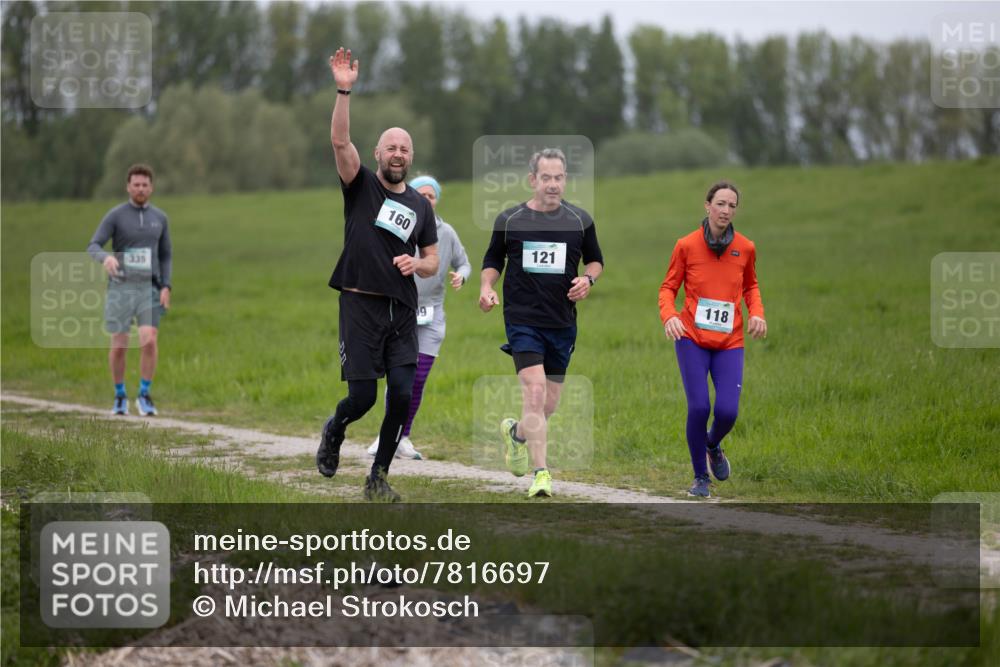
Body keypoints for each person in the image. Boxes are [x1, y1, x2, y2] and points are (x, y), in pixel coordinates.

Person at [316, 47, 440, 502]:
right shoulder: (361, 184)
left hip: (402, 310)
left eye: (405, 148)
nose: (398, 153)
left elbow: (431, 258)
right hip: (360, 304)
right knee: (364, 398)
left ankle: (378, 478)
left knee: (403, 396)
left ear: (411, 157)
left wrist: (418, 264)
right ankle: (335, 429)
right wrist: (344, 89)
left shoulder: (420, 206)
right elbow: (338, 143)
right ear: (377, 153)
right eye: (391, 146)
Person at [479, 148, 604, 498]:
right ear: (533, 180)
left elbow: (595, 261)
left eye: (559, 177)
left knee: (548, 405)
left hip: (562, 322)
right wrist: (487, 287)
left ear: (565, 179)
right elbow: (492, 259)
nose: (553, 184)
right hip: (522, 320)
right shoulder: (510, 219)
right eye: (546, 177)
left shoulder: (580, 221)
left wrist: (588, 281)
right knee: (533, 392)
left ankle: (517, 433)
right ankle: (542, 473)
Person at [658, 181, 767, 498]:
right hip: (691, 337)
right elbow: (668, 288)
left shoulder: (745, 248)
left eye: (732, 205)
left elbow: (751, 287)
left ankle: (712, 445)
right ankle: (700, 479)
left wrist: (757, 313)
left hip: (730, 341)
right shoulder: (686, 245)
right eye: (720, 203)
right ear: (707, 206)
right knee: (699, 407)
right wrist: (670, 316)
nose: (726, 210)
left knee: (728, 412)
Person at [367, 175, 472, 460]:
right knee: (399, 380)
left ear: (437, 200)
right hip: (400, 309)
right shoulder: (398, 225)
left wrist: (460, 276)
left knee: (418, 378)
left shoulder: (446, 232)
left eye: (432, 196)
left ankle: (403, 436)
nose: (427, 199)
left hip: (433, 313)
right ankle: (387, 436)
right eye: (421, 194)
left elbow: (464, 262)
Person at [87, 164, 172, 417]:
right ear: (128, 187)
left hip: (149, 288)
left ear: (151, 187)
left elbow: (166, 254)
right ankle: (120, 394)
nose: (141, 189)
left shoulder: (161, 218)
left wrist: (167, 285)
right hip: (121, 288)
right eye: (136, 184)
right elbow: (93, 245)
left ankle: (144, 395)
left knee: (149, 339)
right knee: (120, 345)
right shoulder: (115, 216)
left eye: (145, 185)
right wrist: (105, 258)